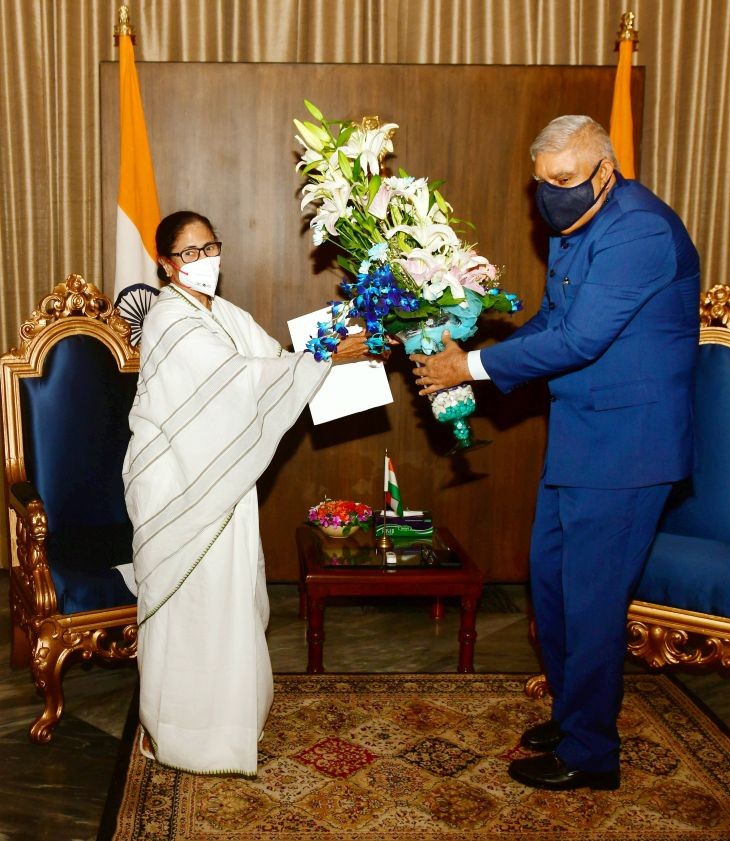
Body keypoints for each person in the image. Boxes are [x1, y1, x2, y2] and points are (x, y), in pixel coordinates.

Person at [411, 116, 699, 791]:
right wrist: (471, 359)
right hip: (582, 437)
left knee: (594, 603)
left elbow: (582, 341)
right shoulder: (578, 228)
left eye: (563, 181)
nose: (550, 197)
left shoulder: (638, 230)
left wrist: (470, 368)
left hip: (630, 450)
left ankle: (592, 752)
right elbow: (551, 322)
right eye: (541, 183)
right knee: (554, 586)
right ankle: (576, 715)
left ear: (605, 170)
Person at [123, 210, 369, 775]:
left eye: (211, 247)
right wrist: (326, 356)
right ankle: (177, 732)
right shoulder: (168, 319)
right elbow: (236, 385)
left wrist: (339, 344)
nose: (204, 261)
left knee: (229, 598)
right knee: (192, 602)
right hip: (179, 488)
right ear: (164, 263)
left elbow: (274, 366)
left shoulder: (226, 314)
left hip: (224, 480)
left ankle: (230, 721)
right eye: (189, 253)